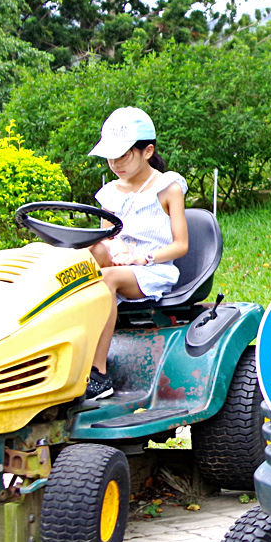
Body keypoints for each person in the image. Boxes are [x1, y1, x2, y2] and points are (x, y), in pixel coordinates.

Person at [84, 107, 189, 400]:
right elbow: (105, 238)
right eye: (110, 156)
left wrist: (141, 258)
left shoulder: (168, 188)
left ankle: (99, 374)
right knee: (81, 259)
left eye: (123, 155)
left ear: (147, 151)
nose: (115, 163)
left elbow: (181, 245)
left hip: (153, 268)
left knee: (106, 279)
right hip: (119, 263)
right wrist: (113, 247)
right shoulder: (109, 193)